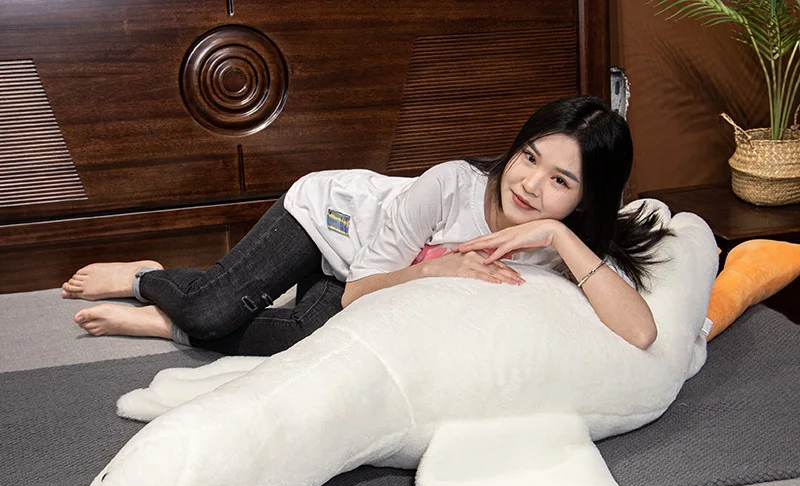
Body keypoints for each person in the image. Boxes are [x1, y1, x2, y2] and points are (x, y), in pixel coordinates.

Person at [62, 95, 670, 353]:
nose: (531, 185)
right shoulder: (450, 186)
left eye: (561, 181)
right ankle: (150, 281)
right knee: (210, 312)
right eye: (530, 157)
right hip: (328, 221)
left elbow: (640, 333)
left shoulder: (561, 240)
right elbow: (359, 292)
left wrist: (557, 236)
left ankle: (173, 317)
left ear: (586, 200)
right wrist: (439, 271)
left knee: (306, 341)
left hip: (367, 274)